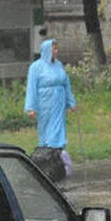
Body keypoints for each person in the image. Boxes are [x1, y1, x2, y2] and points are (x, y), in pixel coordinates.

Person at [25, 38, 77, 181]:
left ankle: (57, 153)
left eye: (56, 48)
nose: (56, 51)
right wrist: (31, 107)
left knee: (58, 127)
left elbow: (66, 84)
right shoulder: (36, 67)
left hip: (59, 101)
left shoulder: (59, 65)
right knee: (47, 129)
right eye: (53, 48)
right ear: (47, 50)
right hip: (45, 102)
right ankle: (47, 154)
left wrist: (70, 101)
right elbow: (31, 88)